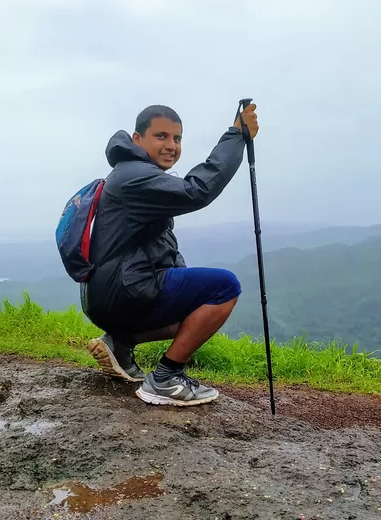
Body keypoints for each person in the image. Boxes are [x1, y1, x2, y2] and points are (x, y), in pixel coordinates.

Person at [79, 101, 259, 407]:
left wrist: (188, 292)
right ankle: (166, 378)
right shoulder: (136, 177)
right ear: (137, 139)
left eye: (177, 138)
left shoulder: (132, 174)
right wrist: (235, 137)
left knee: (194, 310)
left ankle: (120, 344)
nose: (171, 146)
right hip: (122, 292)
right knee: (225, 286)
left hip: (111, 293)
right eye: (161, 136)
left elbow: (162, 247)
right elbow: (196, 190)